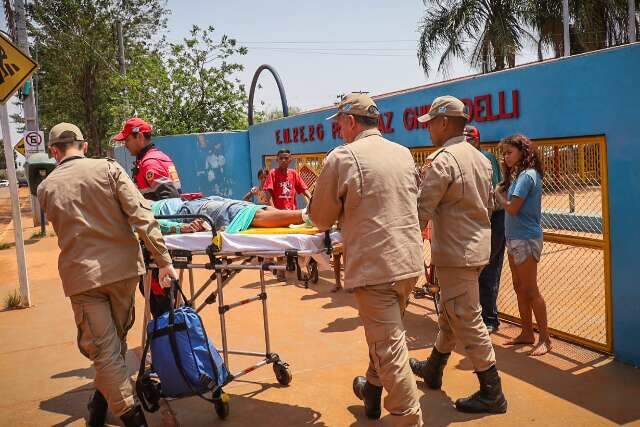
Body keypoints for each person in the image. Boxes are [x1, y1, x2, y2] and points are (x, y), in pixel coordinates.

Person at [38, 123, 178, 427]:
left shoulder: (45, 188)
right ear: (84, 145)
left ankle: (133, 419)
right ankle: (97, 410)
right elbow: (142, 216)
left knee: (105, 352)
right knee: (113, 347)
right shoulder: (109, 170)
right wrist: (163, 259)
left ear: (53, 152)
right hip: (124, 272)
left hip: (83, 278)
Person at [309, 93, 423, 426]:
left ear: (351, 122)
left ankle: (407, 419)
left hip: (376, 268)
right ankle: (372, 393)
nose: (338, 130)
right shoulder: (402, 153)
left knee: (391, 350)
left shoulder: (343, 158)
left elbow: (320, 218)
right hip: (408, 262)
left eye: (340, 124)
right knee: (386, 337)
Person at [411, 96, 507, 414]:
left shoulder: (442, 160)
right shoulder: (480, 158)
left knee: (466, 318)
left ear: (442, 123)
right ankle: (433, 368)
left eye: (429, 124)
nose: (428, 131)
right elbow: (491, 204)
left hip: (454, 253)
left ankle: (492, 392)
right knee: (453, 313)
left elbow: (422, 211)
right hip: (478, 249)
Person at [495, 134, 551, 356]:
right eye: (504, 154)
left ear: (523, 152)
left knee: (530, 289)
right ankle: (527, 333)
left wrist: (498, 195)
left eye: (510, 152)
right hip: (514, 238)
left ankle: (544, 339)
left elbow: (512, 207)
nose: (506, 157)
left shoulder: (528, 175)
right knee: (519, 287)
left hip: (526, 239)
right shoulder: (520, 175)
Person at [465, 125, 506, 333]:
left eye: (471, 140)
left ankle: (490, 318)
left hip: (494, 219)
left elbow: (488, 194)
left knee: (488, 270)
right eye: (465, 140)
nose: (468, 144)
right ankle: (482, 315)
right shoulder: (468, 160)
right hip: (480, 221)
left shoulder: (485, 158)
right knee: (478, 272)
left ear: (478, 141)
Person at [151, 195, 308, 234]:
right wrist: (181, 227)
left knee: (246, 207)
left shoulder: (134, 201)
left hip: (192, 205)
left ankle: (303, 216)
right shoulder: (132, 213)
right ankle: (306, 215)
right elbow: (153, 223)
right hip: (186, 213)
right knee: (241, 213)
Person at [113, 117, 182, 201]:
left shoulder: (150, 163)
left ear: (139, 137)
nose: (125, 145)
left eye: (127, 140)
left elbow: (170, 202)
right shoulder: (159, 156)